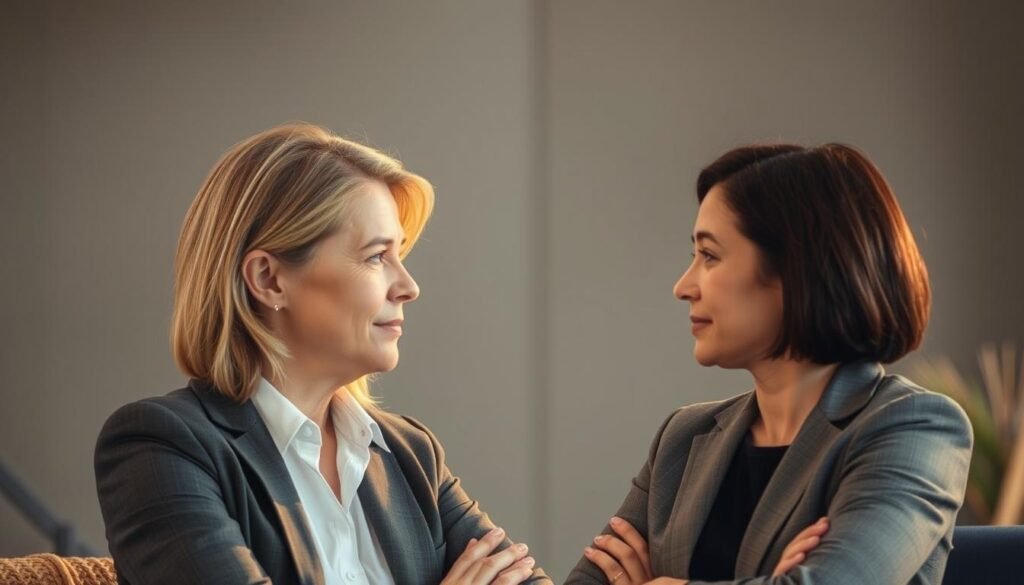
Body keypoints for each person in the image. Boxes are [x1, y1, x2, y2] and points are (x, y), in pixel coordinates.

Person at [95, 124, 550, 585]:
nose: (409, 286)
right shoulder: (162, 448)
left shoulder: (411, 454)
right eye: (376, 257)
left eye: (401, 255)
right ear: (269, 279)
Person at [566, 144, 973, 584]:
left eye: (710, 256)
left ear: (795, 271)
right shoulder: (682, 438)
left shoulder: (915, 428)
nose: (683, 287)